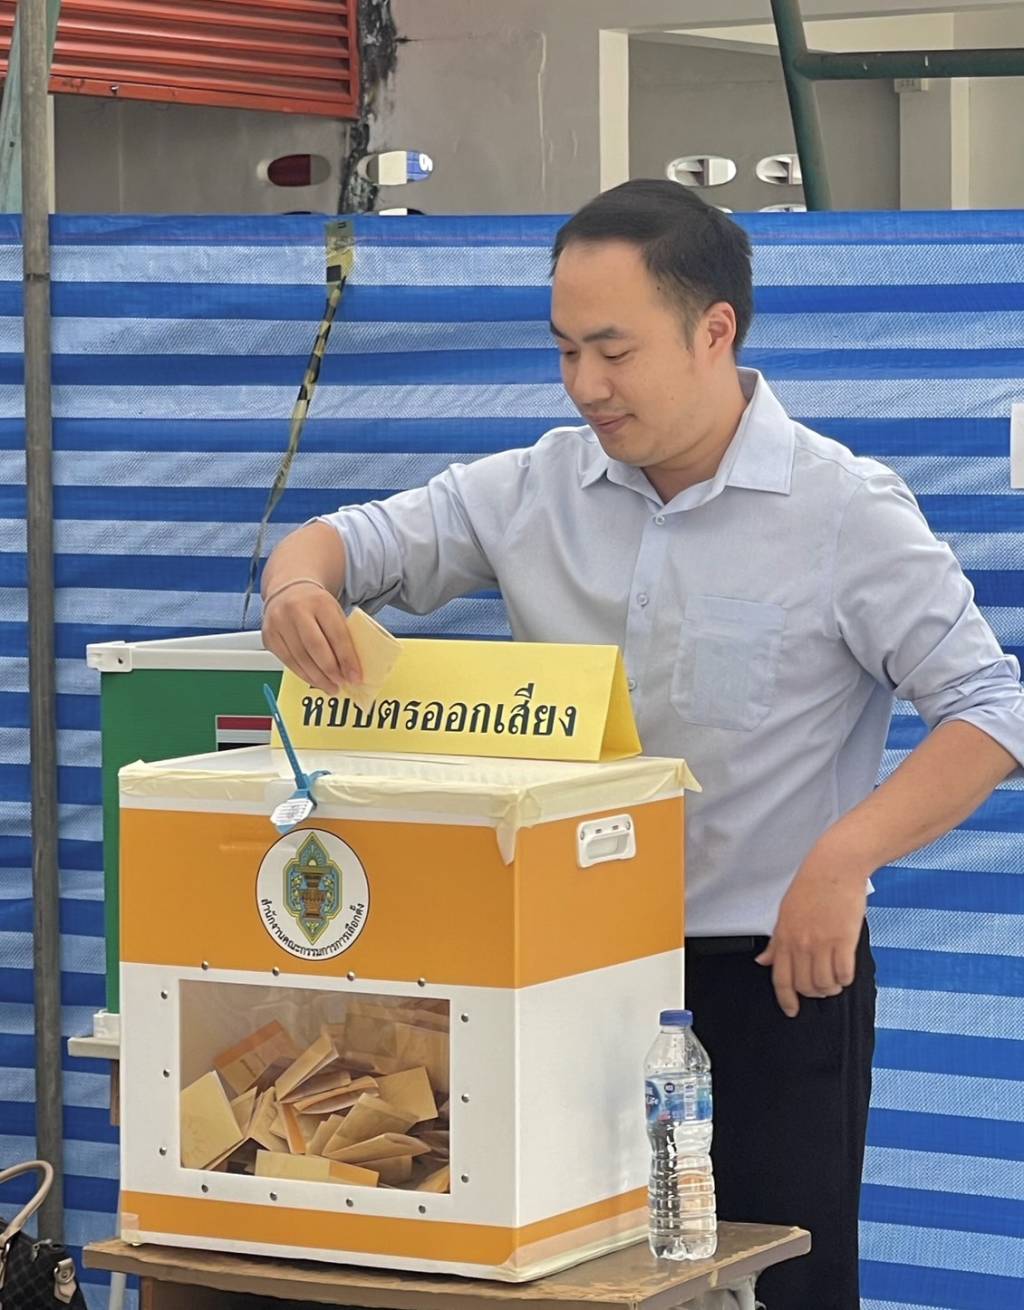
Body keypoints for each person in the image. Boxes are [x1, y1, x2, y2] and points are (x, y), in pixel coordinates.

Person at [261, 179, 1024, 1309]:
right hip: (556, 974)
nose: (585, 385)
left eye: (613, 351)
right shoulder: (535, 486)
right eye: (565, 350)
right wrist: (296, 586)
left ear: (714, 330)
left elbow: (989, 708)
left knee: (775, 1281)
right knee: (567, 1279)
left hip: (767, 981)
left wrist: (844, 857)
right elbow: (347, 542)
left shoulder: (843, 509)